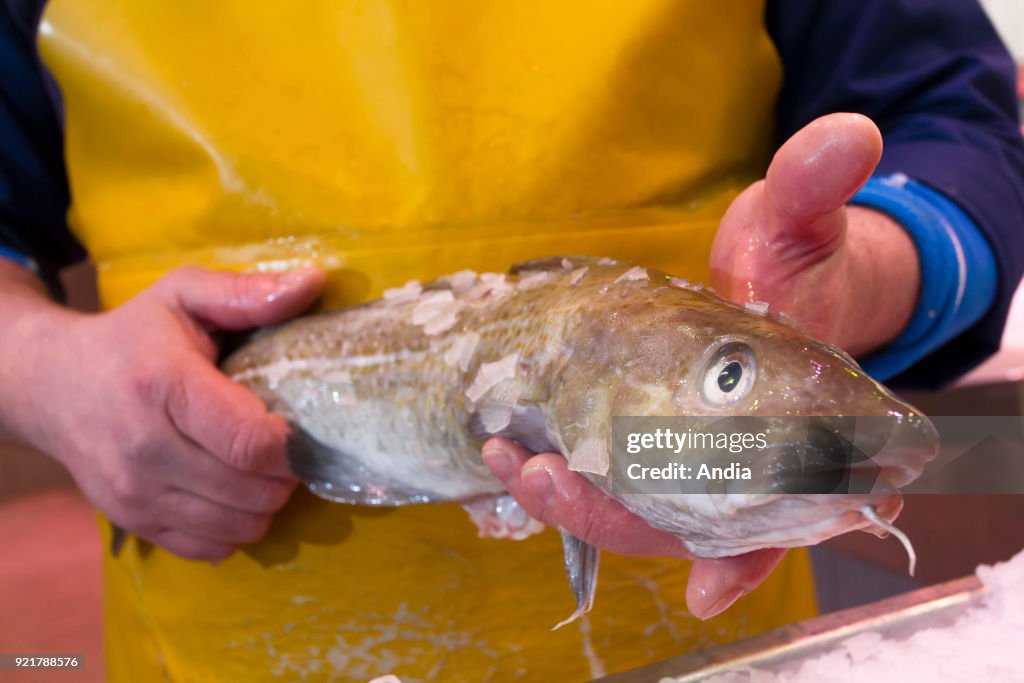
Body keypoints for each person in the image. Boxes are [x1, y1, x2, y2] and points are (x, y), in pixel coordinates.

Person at [1, 1, 1021, 681]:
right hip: (219, 608)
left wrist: (863, 278)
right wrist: (47, 369)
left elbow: (955, 121)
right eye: (727, 375)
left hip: (706, 641)